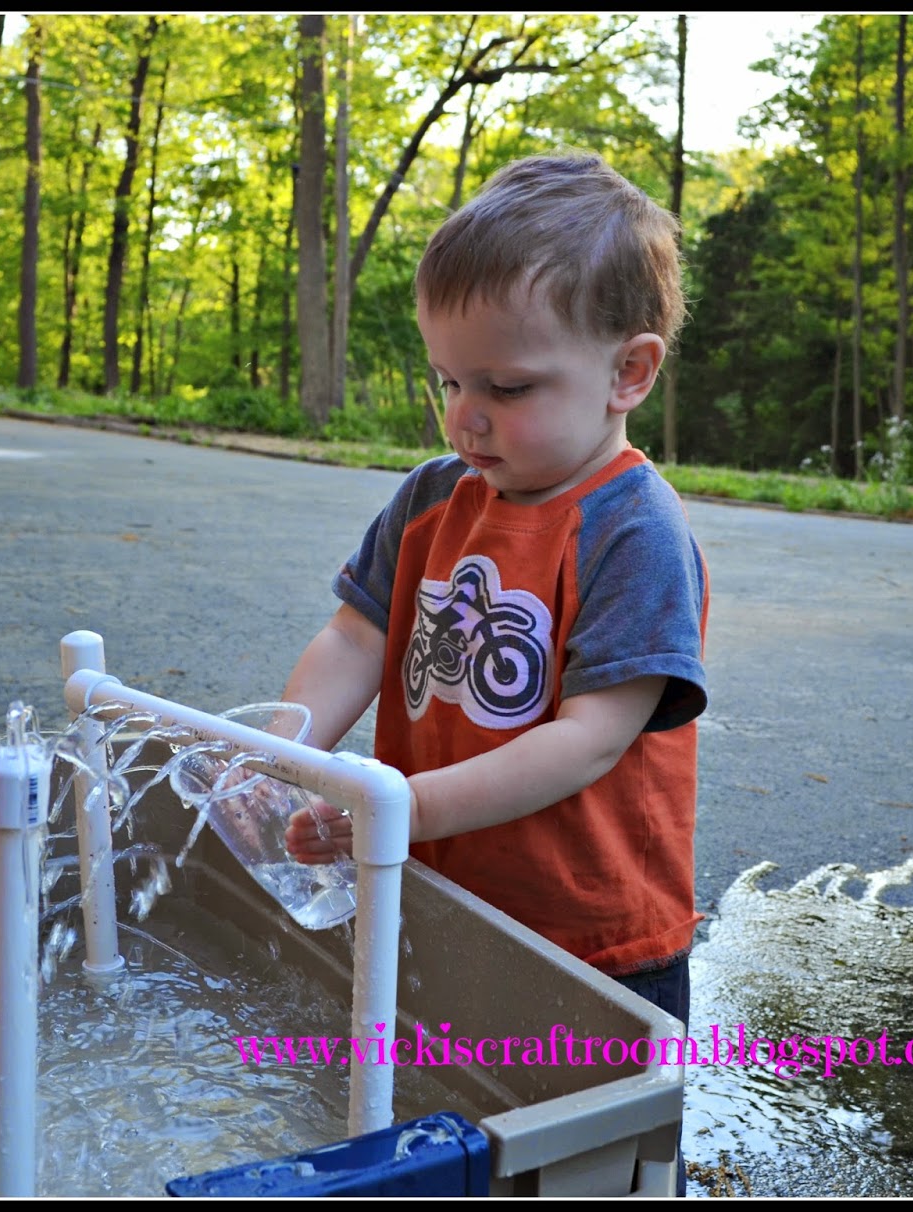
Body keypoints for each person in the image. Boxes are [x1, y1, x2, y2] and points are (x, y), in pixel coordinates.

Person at [280, 151, 707, 1195]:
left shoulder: (629, 530)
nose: (463, 416)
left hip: (590, 935)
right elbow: (355, 638)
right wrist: (283, 753)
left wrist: (397, 809)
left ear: (629, 372)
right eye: (448, 380)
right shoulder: (435, 493)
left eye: (506, 388)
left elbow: (590, 735)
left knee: (578, 1158)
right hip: (435, 885)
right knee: (443, 1112)